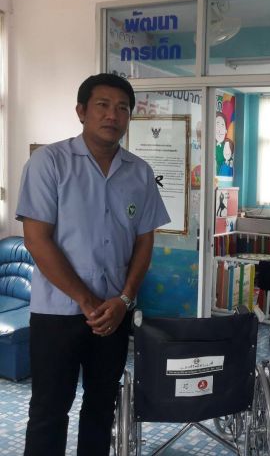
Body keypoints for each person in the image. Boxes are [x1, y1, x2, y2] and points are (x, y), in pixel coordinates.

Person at [16, 73, 170, 456]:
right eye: (103, 105)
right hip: (57, 314)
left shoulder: (140, 172)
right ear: (81, 111)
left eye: (122, 108)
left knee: (102, 407)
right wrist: (87, 301)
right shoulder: (49, 163)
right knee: (49, 411)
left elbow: (144, 241)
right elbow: (37, 240)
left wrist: (125, 299)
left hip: (114, 315)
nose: (113, 115)